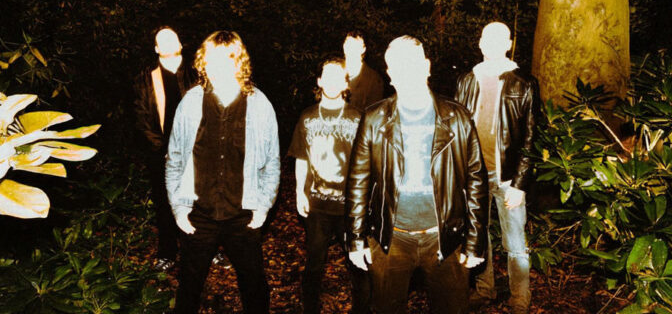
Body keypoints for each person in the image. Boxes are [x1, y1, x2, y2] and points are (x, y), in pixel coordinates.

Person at [346, 35, 488, 314]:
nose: (405, 72)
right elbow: (358, 181)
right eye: (397, 66)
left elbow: (476, 180)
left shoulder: (457, 117)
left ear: (426, 66)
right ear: (390, 74)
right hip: (390, 239)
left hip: (445, 236)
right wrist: (355, 238)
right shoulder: (374, 118)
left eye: (411, 64)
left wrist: (475, 241)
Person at [165, 31, 280, 314]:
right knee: (189, 288)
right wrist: (179, 208)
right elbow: (174, 158)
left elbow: (272, 162)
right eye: (212, 59)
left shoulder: (260, 105)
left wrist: (263, 207)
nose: (218, 67)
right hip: (198, 215)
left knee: (254, 287)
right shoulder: (190, 103)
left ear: (238, 62)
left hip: (243, 215)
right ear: (204, 62)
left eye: (227, 59)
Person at [455, 22, 540, 314]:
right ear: (480, 43)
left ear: (508, 44)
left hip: (508, 178)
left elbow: (531, 136)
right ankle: (485, 289)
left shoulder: (524, 83)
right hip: (474, 176)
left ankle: (520, 298)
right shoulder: (466, 81)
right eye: (486, 38)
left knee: (515, 242)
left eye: (498, 39)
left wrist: (520, 184)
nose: (491, 44)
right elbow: (456, 129)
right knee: (479, 236)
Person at [288, 58, 369, 314]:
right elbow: (301, 157)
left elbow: (366, 164)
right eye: (327, 76)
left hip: (351, 208)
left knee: (358, 266)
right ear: (319, 81)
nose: (332, 82)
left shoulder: (358, 118)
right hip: (317, 207)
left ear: (346, 83)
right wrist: (299, 192)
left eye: (338, 77)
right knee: (314, 265)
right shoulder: (307, 117)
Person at [134, 27, 194, 270]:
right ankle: (168, 252)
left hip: (197, 151)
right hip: (162, 154)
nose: (168, 43)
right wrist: (162, 150)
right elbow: (141, 118)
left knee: (200, 202)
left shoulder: (197, 73)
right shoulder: (145, 78)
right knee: (165, 203)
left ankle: (205, 249)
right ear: (156, 49)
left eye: (173, 38)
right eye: (162, 41)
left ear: (180, 44)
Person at [342, 31, 384, 111]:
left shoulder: (374, 80)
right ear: (344, 47)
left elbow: (373, 113)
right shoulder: (334, 72)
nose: (351, 49)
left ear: (363, 49)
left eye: (355, 46)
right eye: (348, 44)